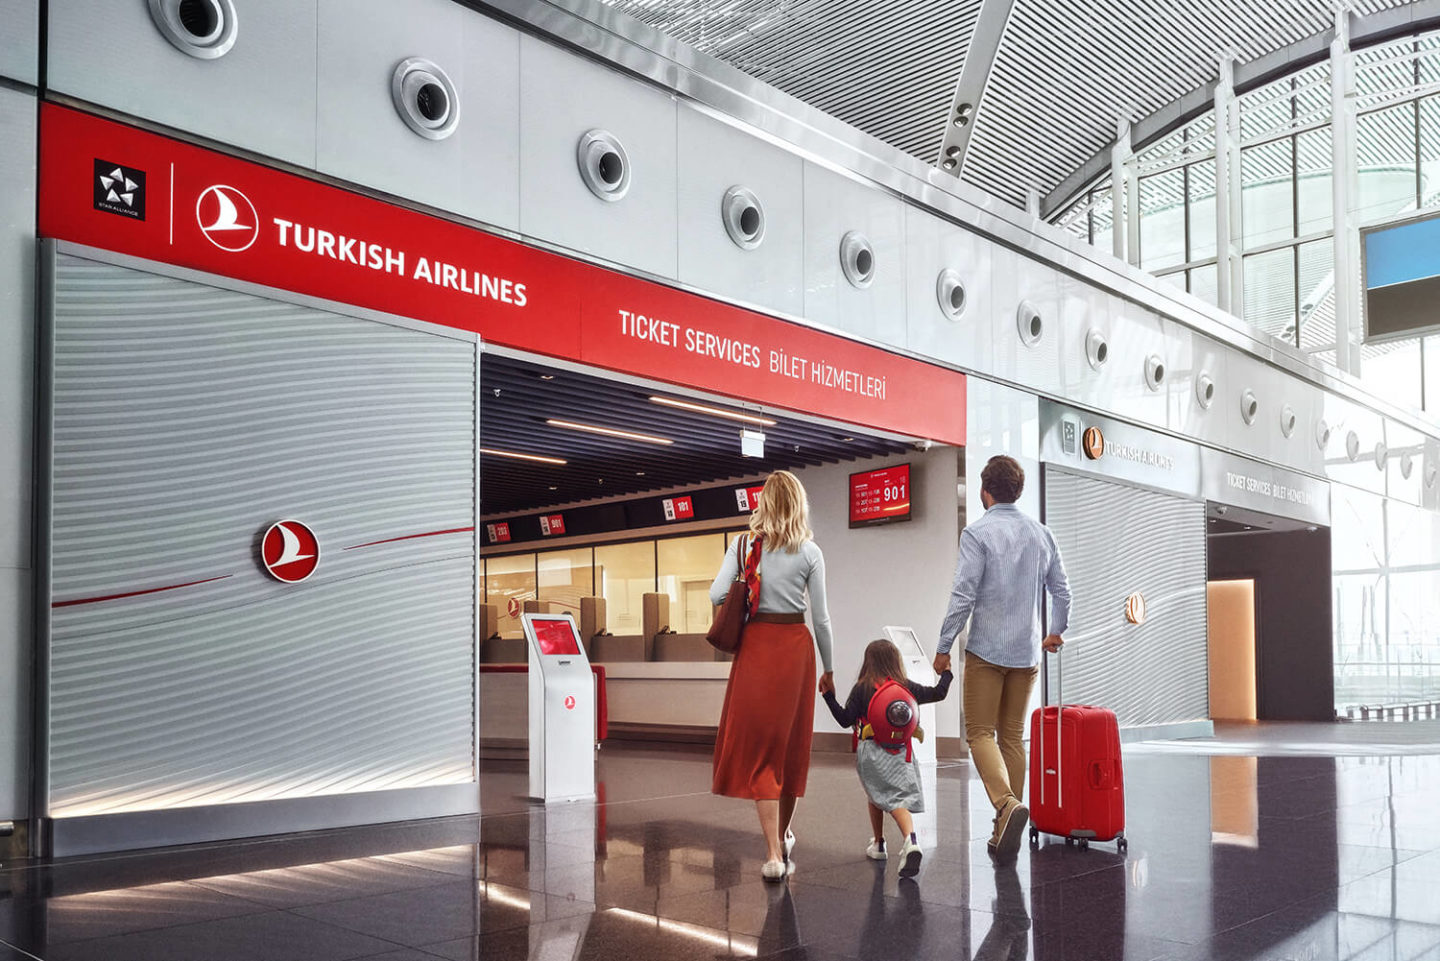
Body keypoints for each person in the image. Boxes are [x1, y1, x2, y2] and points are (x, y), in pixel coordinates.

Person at [933, 455, 1070, 861]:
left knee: (979, 733)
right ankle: (1002, 827)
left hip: (987, 651)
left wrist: (943, 647)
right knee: (1011, 736)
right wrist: (1055, 632)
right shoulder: (1042, 534)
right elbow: (1062, 592)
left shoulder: (977, 534)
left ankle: (1006, 805)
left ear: (984, 491)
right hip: (1027, 653)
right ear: (1019, 491)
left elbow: (963, 595)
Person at [710, 470, 834, 881]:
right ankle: (781, 835)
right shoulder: (810, 552)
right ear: (799, 504)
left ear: (763, 503)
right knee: (790, 748)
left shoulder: (745, 544)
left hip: (757, 649)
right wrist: (830, 669)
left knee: (761, 751)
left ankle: (773, 854)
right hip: (796, 651)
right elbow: (822, 620)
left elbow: (715, 594)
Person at [822, 638, 952, 878]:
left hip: (871, 752)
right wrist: (947, 674)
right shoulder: (904, 686)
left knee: (889, 798)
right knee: (881, 793)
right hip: (901, 751)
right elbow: (938, 693)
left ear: (868, 662)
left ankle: (910, 840)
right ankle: (879, 843)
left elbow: (844, 719)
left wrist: (828, 695)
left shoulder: (862, 687)